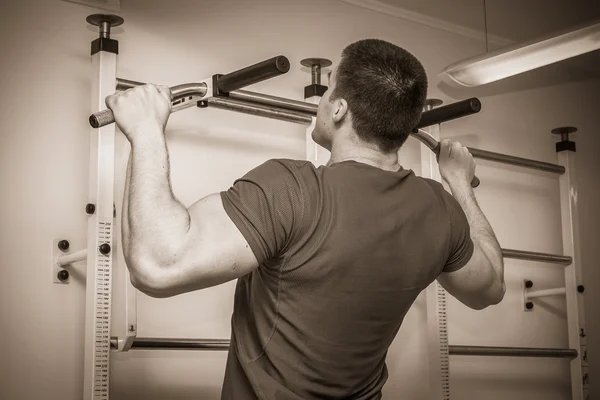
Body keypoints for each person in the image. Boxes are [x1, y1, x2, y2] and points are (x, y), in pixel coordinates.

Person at [106, 39, 505, 400]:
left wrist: (145, 130)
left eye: (329, 87)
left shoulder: (292, 189)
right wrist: (459, 184)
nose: (322, 98)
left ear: (338, 108)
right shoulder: (439, 207)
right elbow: (488, 289)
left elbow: (156, 265)